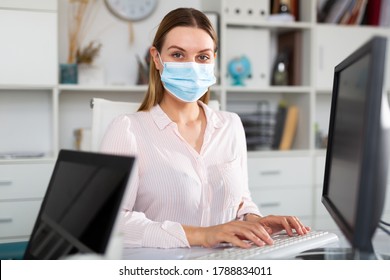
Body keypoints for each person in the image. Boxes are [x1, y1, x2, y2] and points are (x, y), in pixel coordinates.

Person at [101, 7, 310, 249]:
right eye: (178, 55)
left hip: (227, 263)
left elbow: (241, 201)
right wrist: (203, 235)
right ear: (157, 59)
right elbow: (114, 221)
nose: (191, 66)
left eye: (202, 57)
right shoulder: (128, 130)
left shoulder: (230, 125)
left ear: (213, 61)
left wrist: (256, 221)